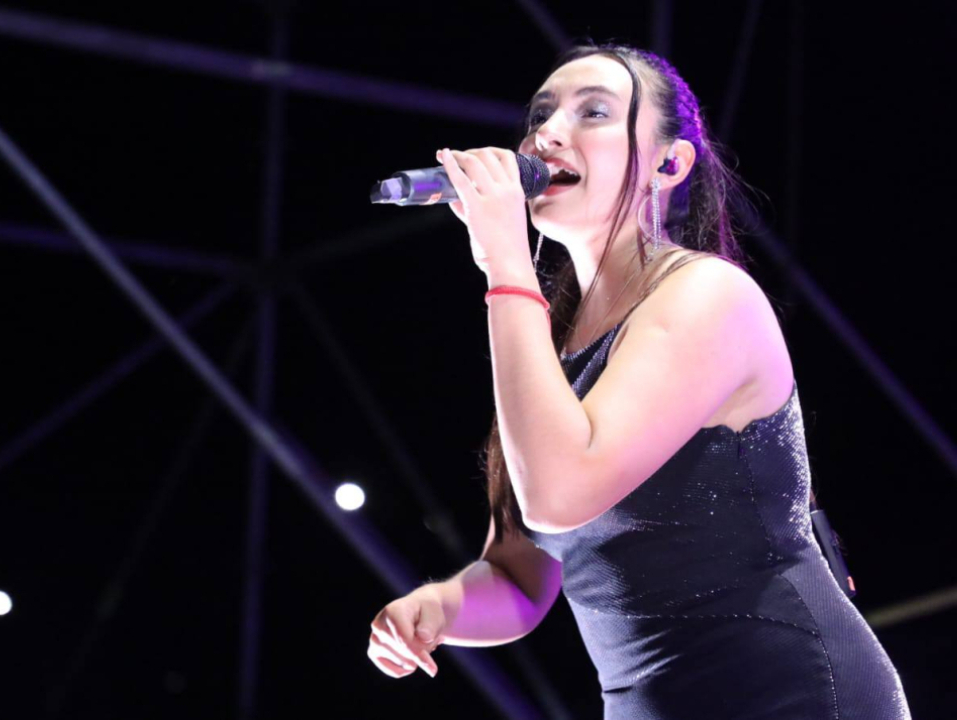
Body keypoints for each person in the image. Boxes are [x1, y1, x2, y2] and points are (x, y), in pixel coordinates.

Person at [368, 42, 912, 719]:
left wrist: (506, 266)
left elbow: (559, 494)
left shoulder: (707, 295)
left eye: (593, 112)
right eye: (540, 115)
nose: (547, 133)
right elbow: (518, 576)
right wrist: (439, 606)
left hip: (789, 692)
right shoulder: (550, 343)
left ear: (669, 163)